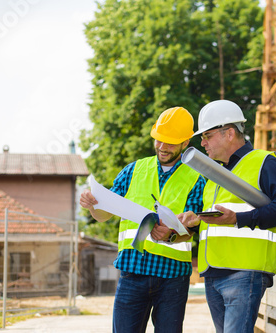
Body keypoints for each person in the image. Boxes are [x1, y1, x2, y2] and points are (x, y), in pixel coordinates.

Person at [79, 107, 205, 333]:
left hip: (173, 277)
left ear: (186, 142)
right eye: (159, 140)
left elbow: (192, 229)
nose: (162, 147)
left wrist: (171, 235)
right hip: (133, 272)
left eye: (170, 142)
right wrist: (93, 206)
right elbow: (104, 215)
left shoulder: (196, 178)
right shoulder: (133, 170)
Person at [178, 100, 276, 333]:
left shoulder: (264, 162)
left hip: (245, 272)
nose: (202, 143)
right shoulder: (213, 172)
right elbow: (219, 219)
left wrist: (238, 219)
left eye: (207, 136)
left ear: (230, 133)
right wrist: (197, 220)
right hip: (214, 272)